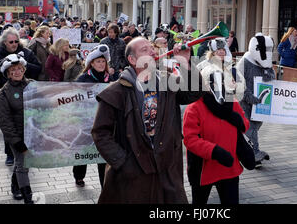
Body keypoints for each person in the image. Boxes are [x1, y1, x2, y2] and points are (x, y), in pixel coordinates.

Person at [91, 37, 204, 203]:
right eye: (144, 50)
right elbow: (100, 133)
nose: (152, 51)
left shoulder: (168, 81)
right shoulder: (116, 92)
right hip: (133, 175)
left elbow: (194, 93)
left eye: (151, 47)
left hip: (166, 170)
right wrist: (123, 162)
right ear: (132, 60)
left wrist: (186, 63)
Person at [183, 45, 249, 204]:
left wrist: (237, 120)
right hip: (204, 169)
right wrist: (215, 151)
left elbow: (245, 126)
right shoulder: (194, 107)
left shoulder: (230, 101)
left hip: (229, 169)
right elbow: (190, 140)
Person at [0, 28, 41, 166]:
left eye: (16, 41)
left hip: (26, 93)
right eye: (11, 42)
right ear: (4, 43)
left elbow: (38, 69)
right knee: (8, 125)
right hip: (7, 93)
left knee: (26, 124)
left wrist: (25, 63)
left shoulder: (26, 52)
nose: (14, 44)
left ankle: (27, 150)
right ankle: (10, 153)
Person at [0, 53, 35, 203]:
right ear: (8, 73)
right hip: (17, 136)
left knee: (22, 163)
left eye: (19, 69)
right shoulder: (3, 93)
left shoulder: (32, 84)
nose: (17, 72)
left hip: (32, 134)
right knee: (23, 165)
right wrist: (16, 141)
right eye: (13, 70)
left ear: (24, 69)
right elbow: (4, 121)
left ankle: (14, 185)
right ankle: (28, 198)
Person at [73, 45, 113, 188]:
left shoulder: (111, 78)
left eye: (103, 62)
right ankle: (78, 175)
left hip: (105, 123)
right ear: (91, 63)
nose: (101, 64)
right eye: (98, 62)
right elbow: (75, 99)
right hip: (86, 122)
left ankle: (105, 186)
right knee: (84, 151)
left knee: (103, 156)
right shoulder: (83, 79)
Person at [236, 33, 275, 168]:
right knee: (250, 127)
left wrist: (268, 75)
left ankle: (243, 149)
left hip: (260, 102)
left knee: (255, 126)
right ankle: (254, 154)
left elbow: (272, 76)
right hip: (245, 101)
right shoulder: (245, 61)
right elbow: (238, 81)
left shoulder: (265, 62)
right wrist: (247, 95)